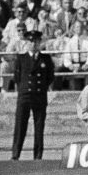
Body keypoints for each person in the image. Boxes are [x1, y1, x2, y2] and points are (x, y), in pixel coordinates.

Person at [10, 30, 55, 160]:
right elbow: (17, 77)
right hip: (24, 95)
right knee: (20, 125)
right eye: (31, 41)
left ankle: (38, 155)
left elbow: (50, 77)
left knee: (39, 126)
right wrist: (24, 88)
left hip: (39, 95)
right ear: (27, 43)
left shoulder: (46, 59)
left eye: (36, 41)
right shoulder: (21, 58)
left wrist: (41, 88)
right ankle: (15, 154)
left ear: (39, 42)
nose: (33, 44)